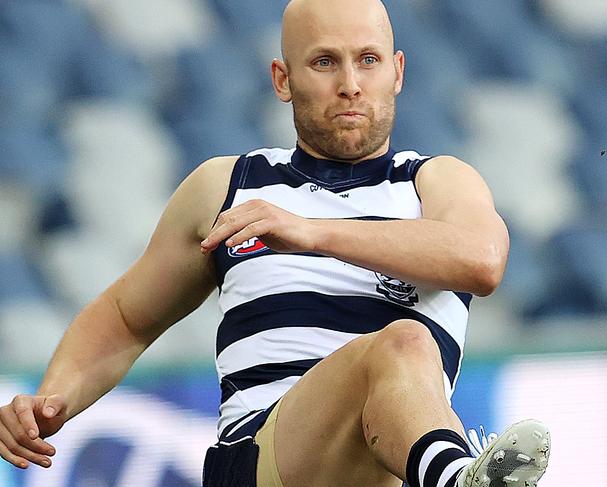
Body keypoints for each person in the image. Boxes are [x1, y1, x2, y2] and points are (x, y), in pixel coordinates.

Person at [0, 0, 551, 486]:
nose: (351, 84)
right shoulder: (229, 187)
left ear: (398, 71)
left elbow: (482, 260)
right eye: (324, 61)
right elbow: (125, 317)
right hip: (259, 459)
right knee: (401, 344)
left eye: (368, 59)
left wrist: (312, 233)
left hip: (388, 470)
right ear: (282, 79)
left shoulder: (438, 182)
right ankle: (458, 481)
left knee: (401, 351)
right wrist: (51, 401)